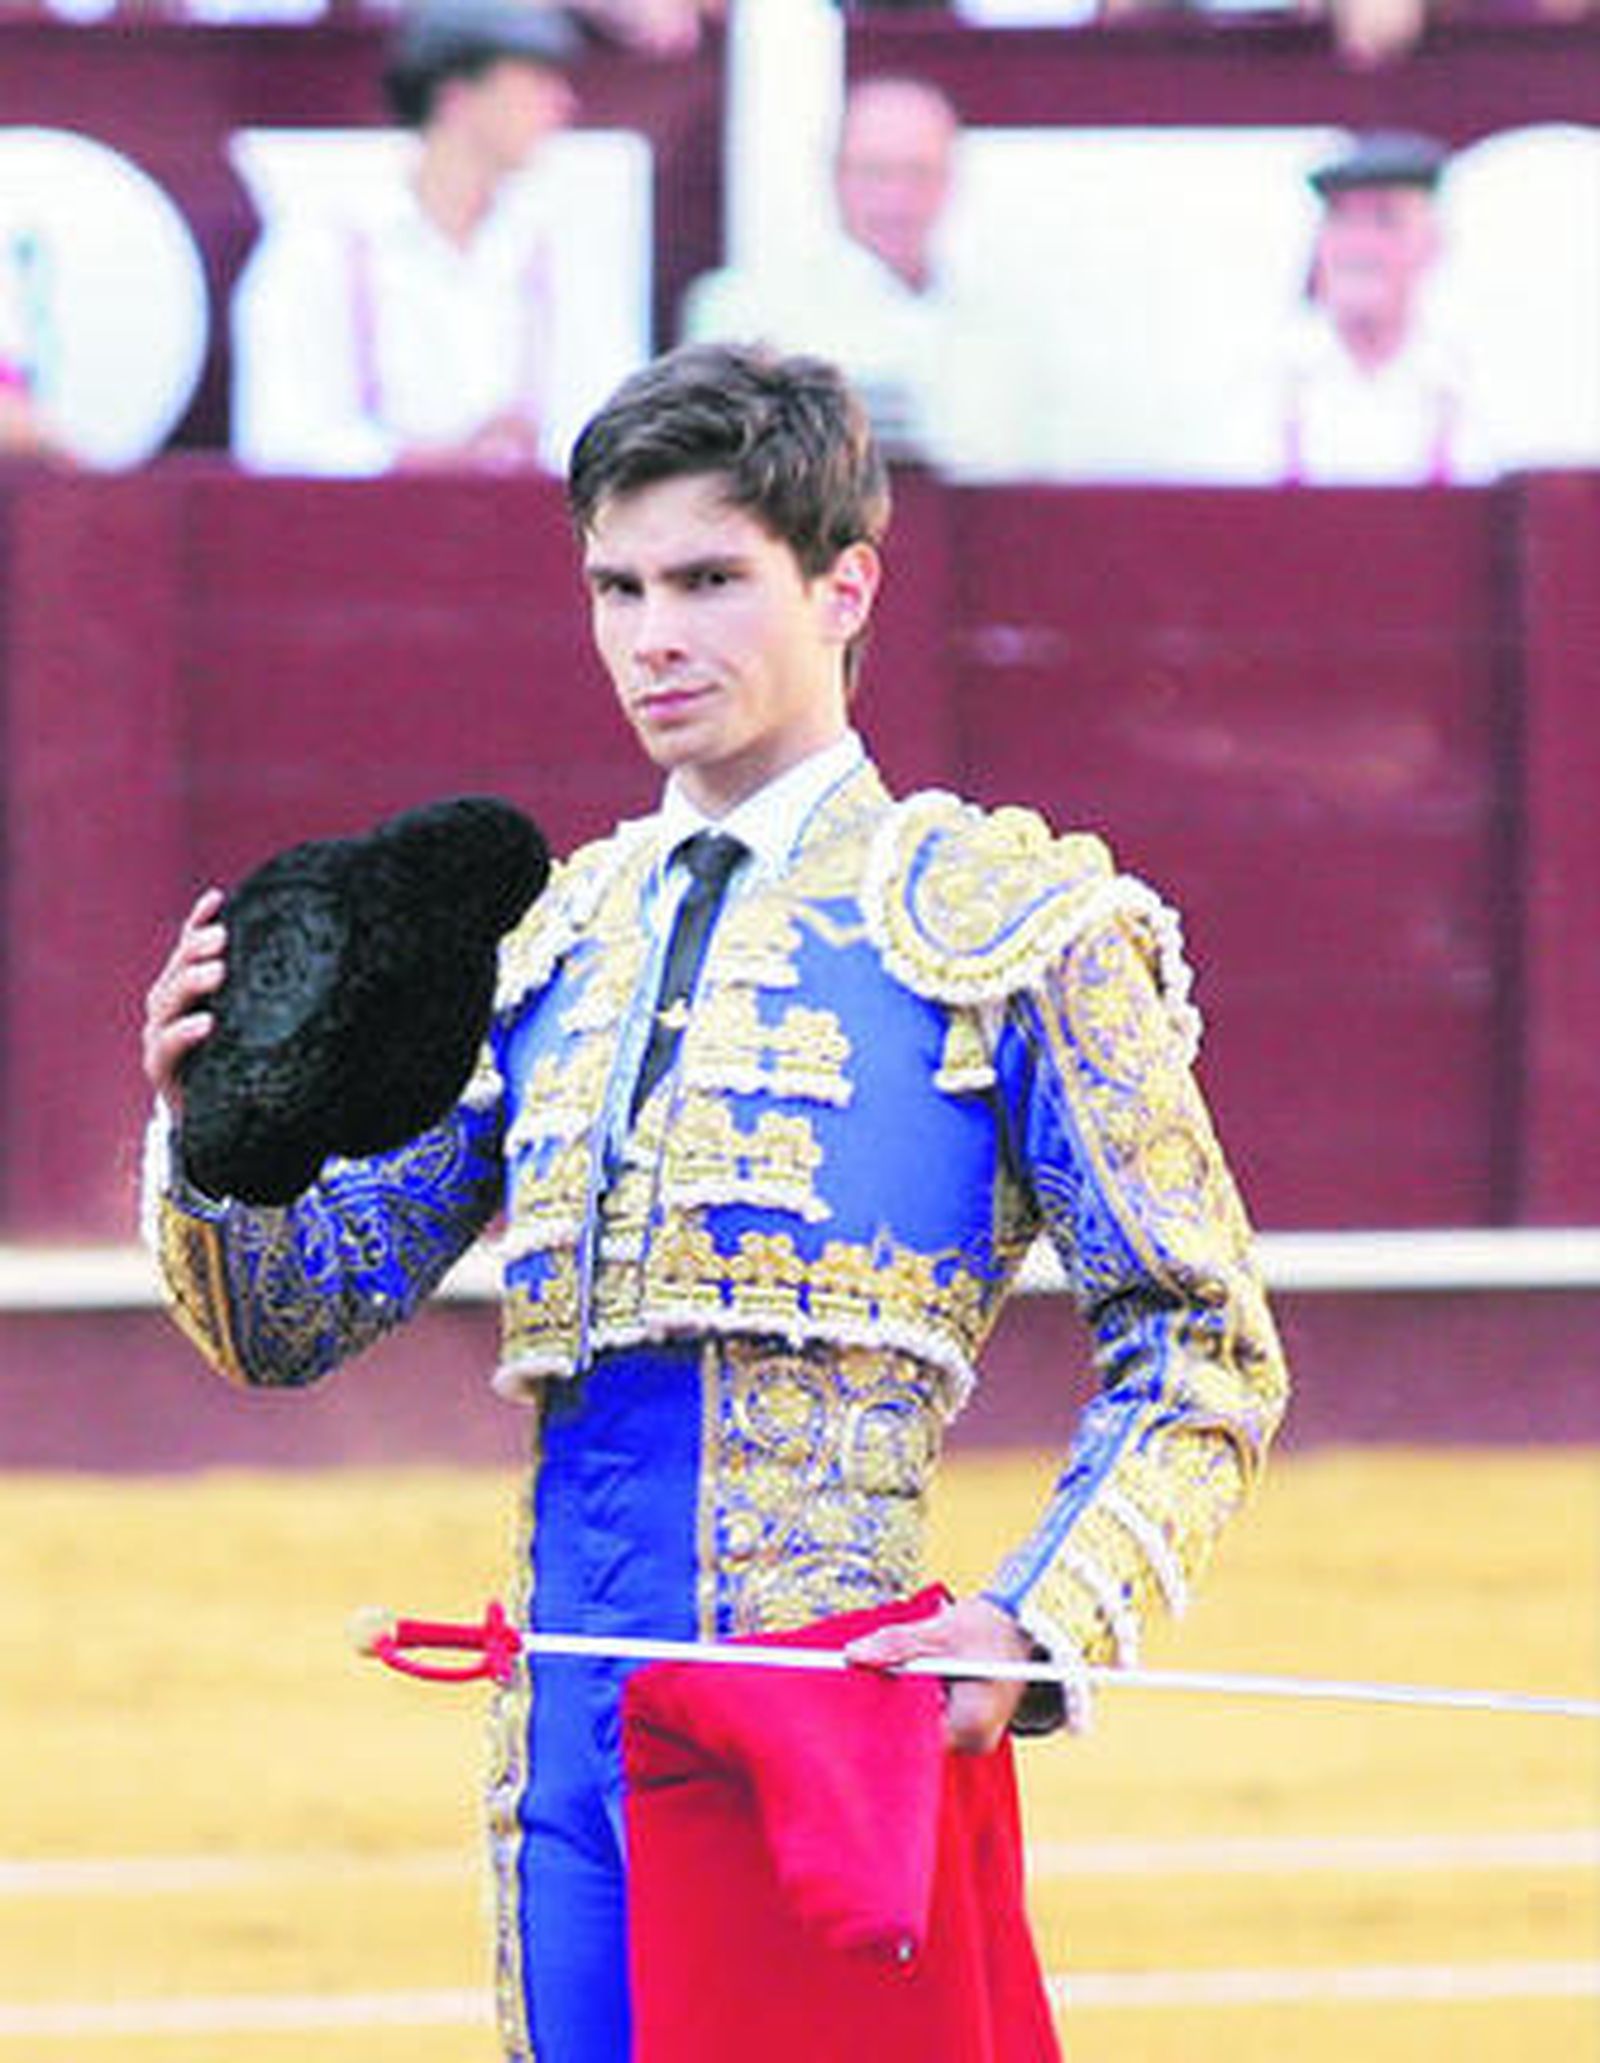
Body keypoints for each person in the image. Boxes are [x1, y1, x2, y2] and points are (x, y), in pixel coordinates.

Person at [141, 341, 1289, 2062]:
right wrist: (212, 1137)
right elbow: (292, 1316)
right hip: (565, 1741)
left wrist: (1037, 1616)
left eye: (706, 581)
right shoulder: (550, 943)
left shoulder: (1002, 922)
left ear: (846, 588)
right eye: (616, 587)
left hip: (820, 1728)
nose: (651, 637)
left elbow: (1205, 1342)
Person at [230, 0, 584, 475]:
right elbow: (280, 440)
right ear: (457, 99)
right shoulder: (324, 245)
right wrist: (437, 461)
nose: (562, 105)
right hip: (364, 518)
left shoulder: (555, 246)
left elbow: (609, 420)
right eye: (536, 83)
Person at [681, 76, 1054, 478]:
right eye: (876, 172)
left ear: (950, 181)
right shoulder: (742, 311)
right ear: (835, 176)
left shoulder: (1010, 323)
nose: (897, 197)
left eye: (919, 172)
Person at [1276, 129, 1494, 484]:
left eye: (1385, 220)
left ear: (1432, 244)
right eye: (1341, 218)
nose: (1359, 245)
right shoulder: (1264, 390)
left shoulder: (1472, 392)